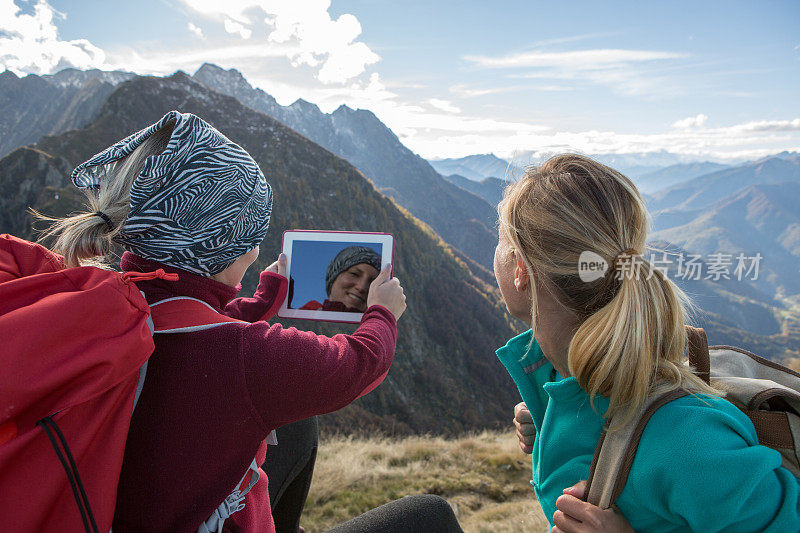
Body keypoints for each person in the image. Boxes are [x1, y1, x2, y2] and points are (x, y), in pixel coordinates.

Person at [38, 110, 443, 533]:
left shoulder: (105, 300)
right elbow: (355, 364)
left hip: (107, 510)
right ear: (226, 244)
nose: (253, 253)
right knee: (433, 517)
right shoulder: (249, 358)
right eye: (250, 237)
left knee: (298, 426)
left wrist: (264, 297)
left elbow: (187, 323)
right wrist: (382, 312)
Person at [493, 154, 800, 531]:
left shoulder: (688, 442)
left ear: (521, 268)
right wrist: (550, 420)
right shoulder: (562, 376)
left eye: (500, 240)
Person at [298, 246, 381, 313]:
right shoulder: (303, 315)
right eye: (354, 274)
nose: (362, 287)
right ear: (333, 278)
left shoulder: (379, 330)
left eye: (373, 282)